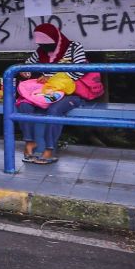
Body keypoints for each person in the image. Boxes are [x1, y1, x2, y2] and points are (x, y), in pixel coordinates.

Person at [18, 24, 88, 165]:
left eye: (48, 44)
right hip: (46, 91)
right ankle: (29, 142)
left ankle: (49, 149)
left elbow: (81, 70)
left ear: (57, 39)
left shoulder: (74, 47)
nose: (45, 47)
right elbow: (27, 65)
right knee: (24, 105)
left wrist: (53, 79)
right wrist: (25, 71)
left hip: (69, 92)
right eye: (41, 44)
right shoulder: (40, 51)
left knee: (54, 110)